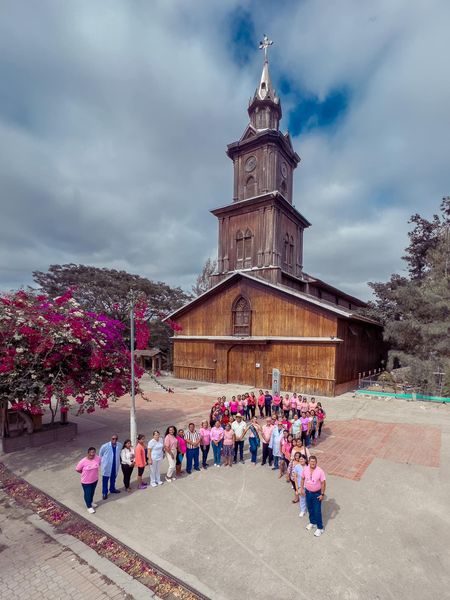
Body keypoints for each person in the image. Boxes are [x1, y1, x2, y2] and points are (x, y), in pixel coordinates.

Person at [300, 455, 326, 536]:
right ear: (309, 462)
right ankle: (312, 522)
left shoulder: (320, 471)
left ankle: (320, 528)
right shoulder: (305, 469)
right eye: (311, 461)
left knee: (317, 510)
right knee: (310, 508)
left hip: (317, 494)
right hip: (308, 492)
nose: (312, 463)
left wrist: (322, 494)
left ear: (316, 462)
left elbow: (323, 483)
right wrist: (302, 488)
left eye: (314, 462)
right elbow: (303, 479)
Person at [76, 447, 101, 514]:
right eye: (91, 453)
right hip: (86, 481)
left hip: (95, 479)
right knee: (88, 493)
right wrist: (84, 473)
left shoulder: (97, 458)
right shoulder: (83, 461)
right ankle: (89, 507)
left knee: (92, 492)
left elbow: (99, 464)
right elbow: (77, 469)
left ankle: (91, 502)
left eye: (93, 453)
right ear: (88, 453)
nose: (92, 455)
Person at [99, 434, 123, 499]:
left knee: (113, 479)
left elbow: (121, 452)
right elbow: (100, 455)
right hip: (107, 466)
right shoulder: (105, 446)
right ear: (111, 439)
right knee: (105, 480)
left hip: (115, 466)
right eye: (113, 439)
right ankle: (104, 493)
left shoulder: (119, 445)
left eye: (116, 439)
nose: (114, 440)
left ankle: (112, 489)